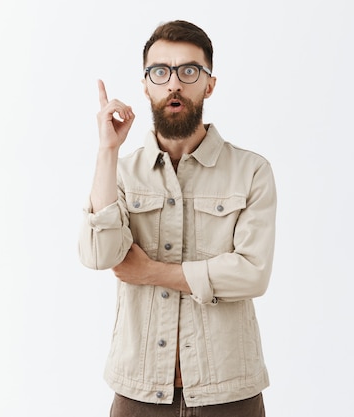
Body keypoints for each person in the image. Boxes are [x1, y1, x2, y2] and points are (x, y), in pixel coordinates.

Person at [78, 20, 277, 417]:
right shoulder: (121, 171)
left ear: (209, 84)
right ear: (146, 84)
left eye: (189, 71)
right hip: (138, 390)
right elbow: (98, 255)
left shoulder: (251, 171)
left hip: (229, 391)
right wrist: (106, 151)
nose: (174, 84)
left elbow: (252, 273)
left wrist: (150, 271)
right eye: (160, 72)